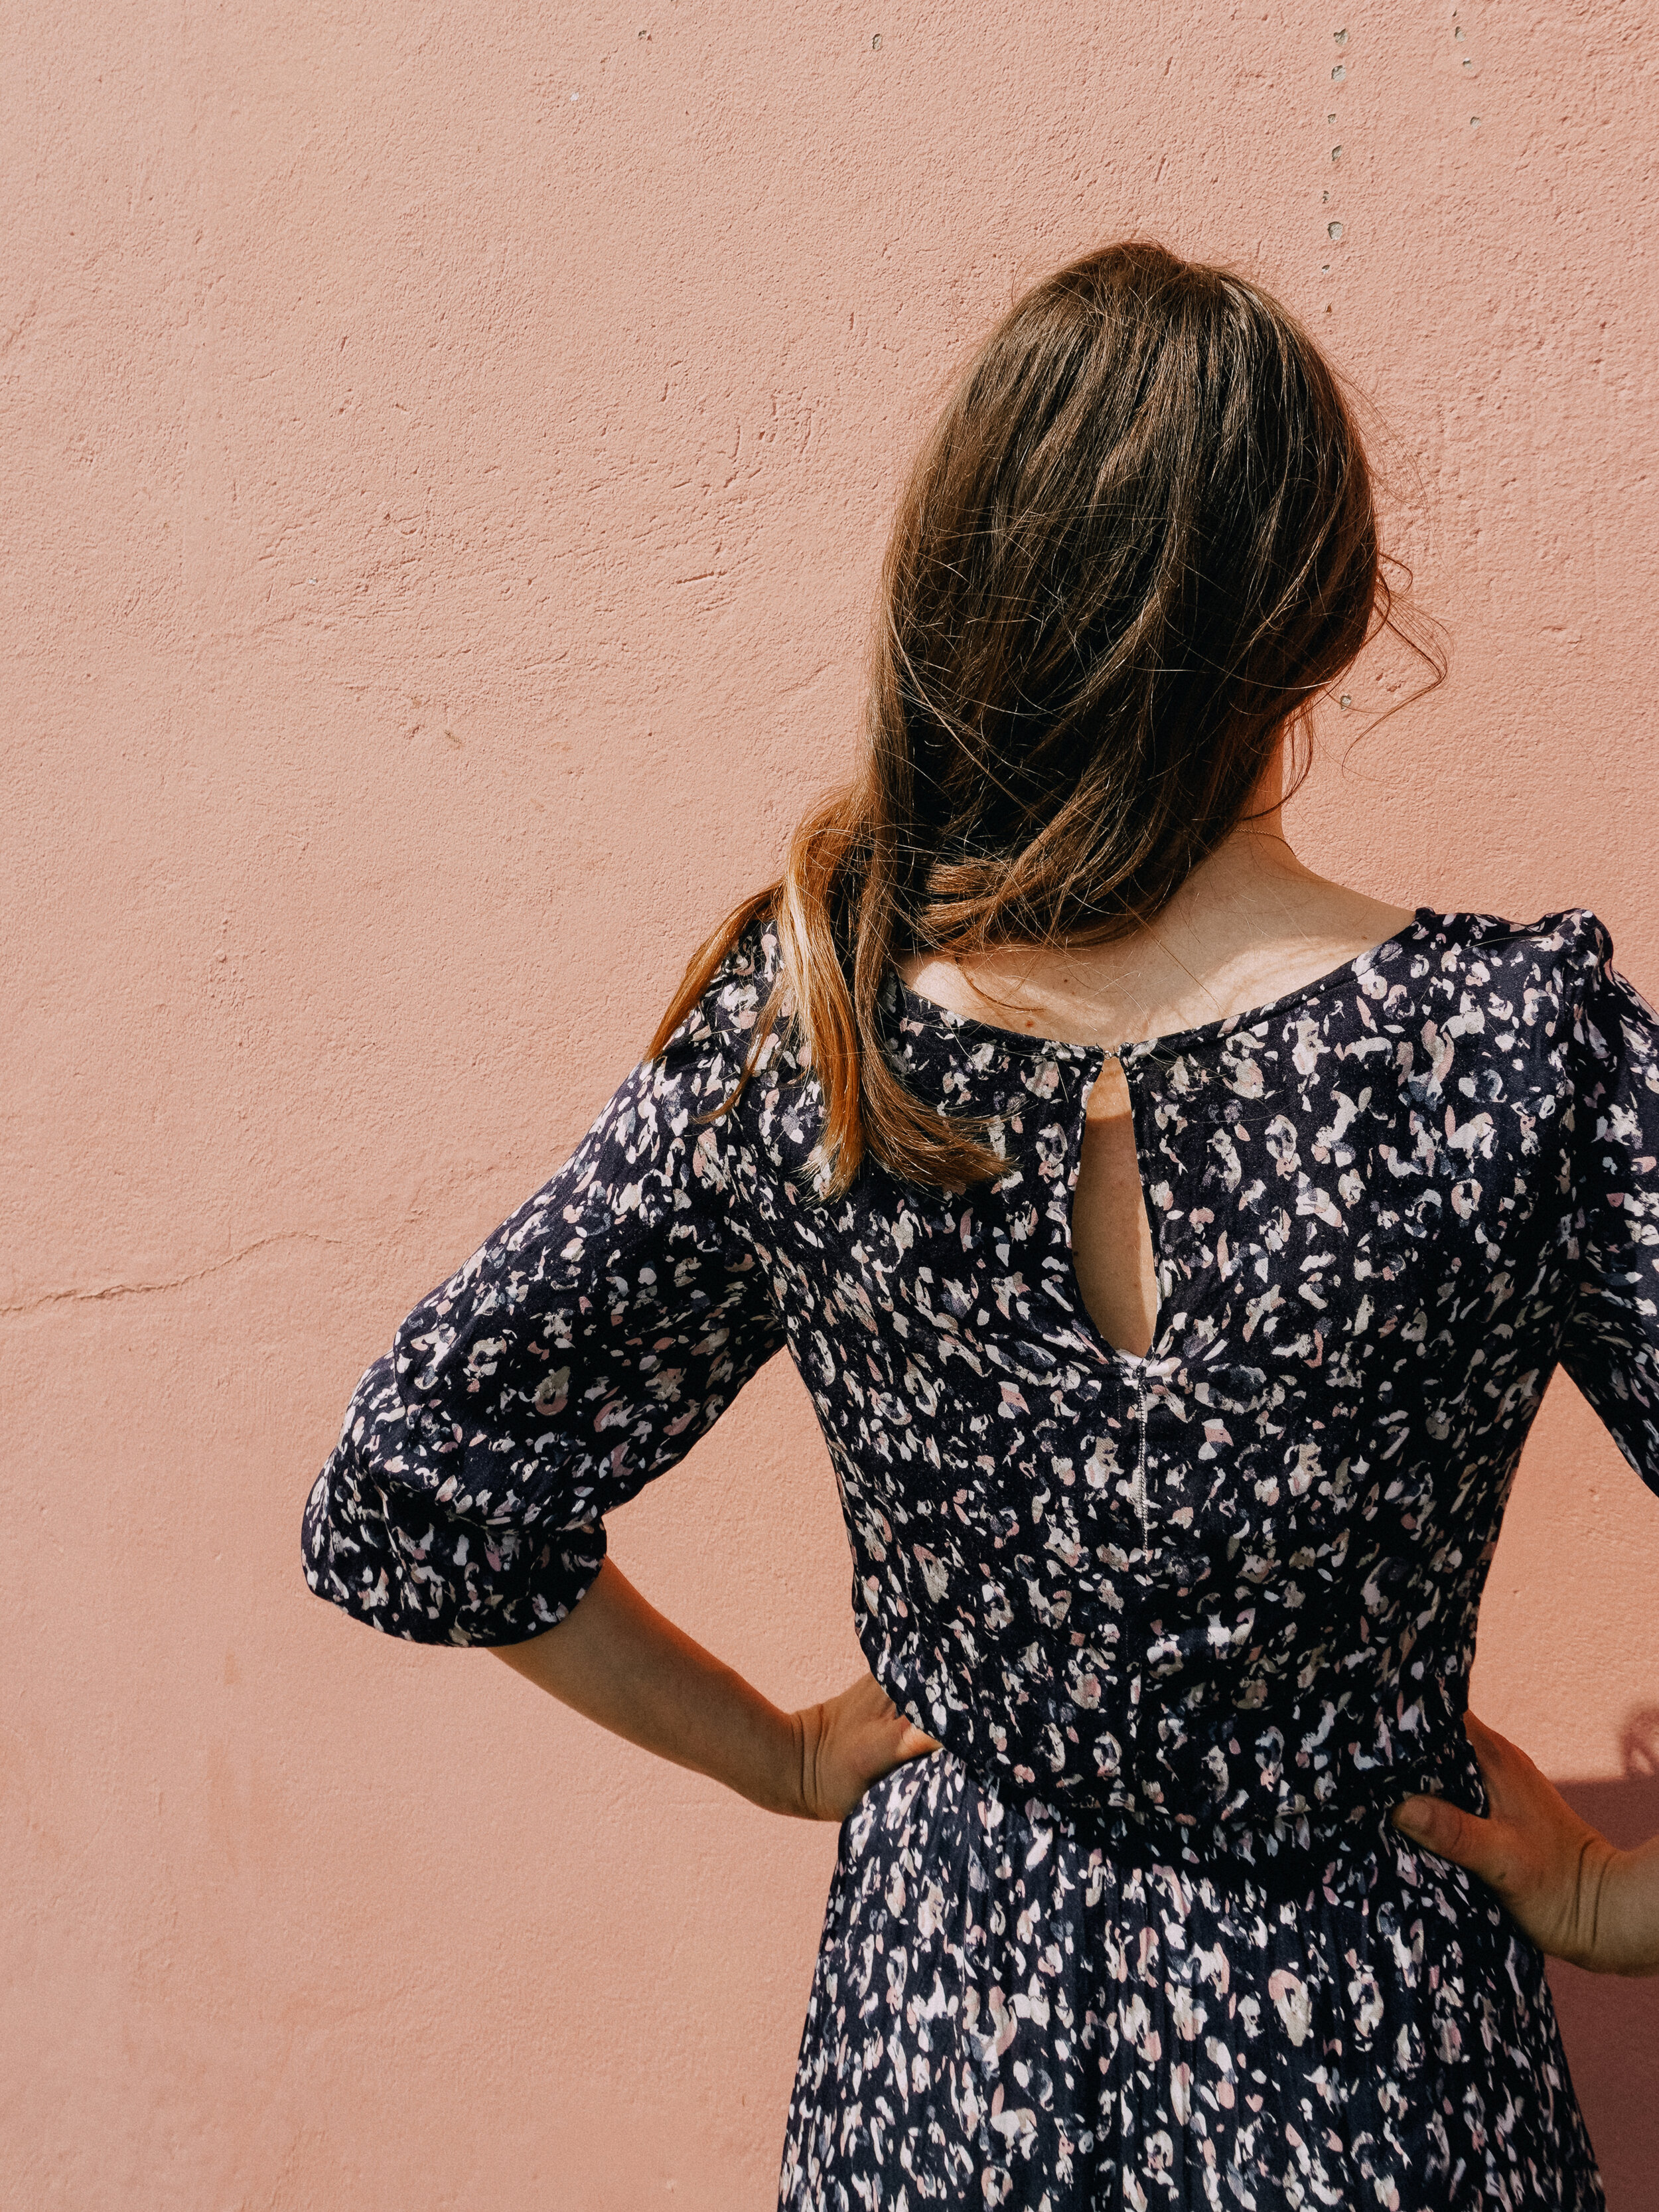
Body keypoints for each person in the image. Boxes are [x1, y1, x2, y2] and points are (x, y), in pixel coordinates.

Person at [301, 242, 1659, 2209]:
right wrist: (1613, 1906)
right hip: (1380, 2080)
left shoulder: (817, 1040)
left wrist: (777, 1757)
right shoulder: (1509, 1051)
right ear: (1328, 607)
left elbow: (417, 1489)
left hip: (941, 2068)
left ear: (967, 586)